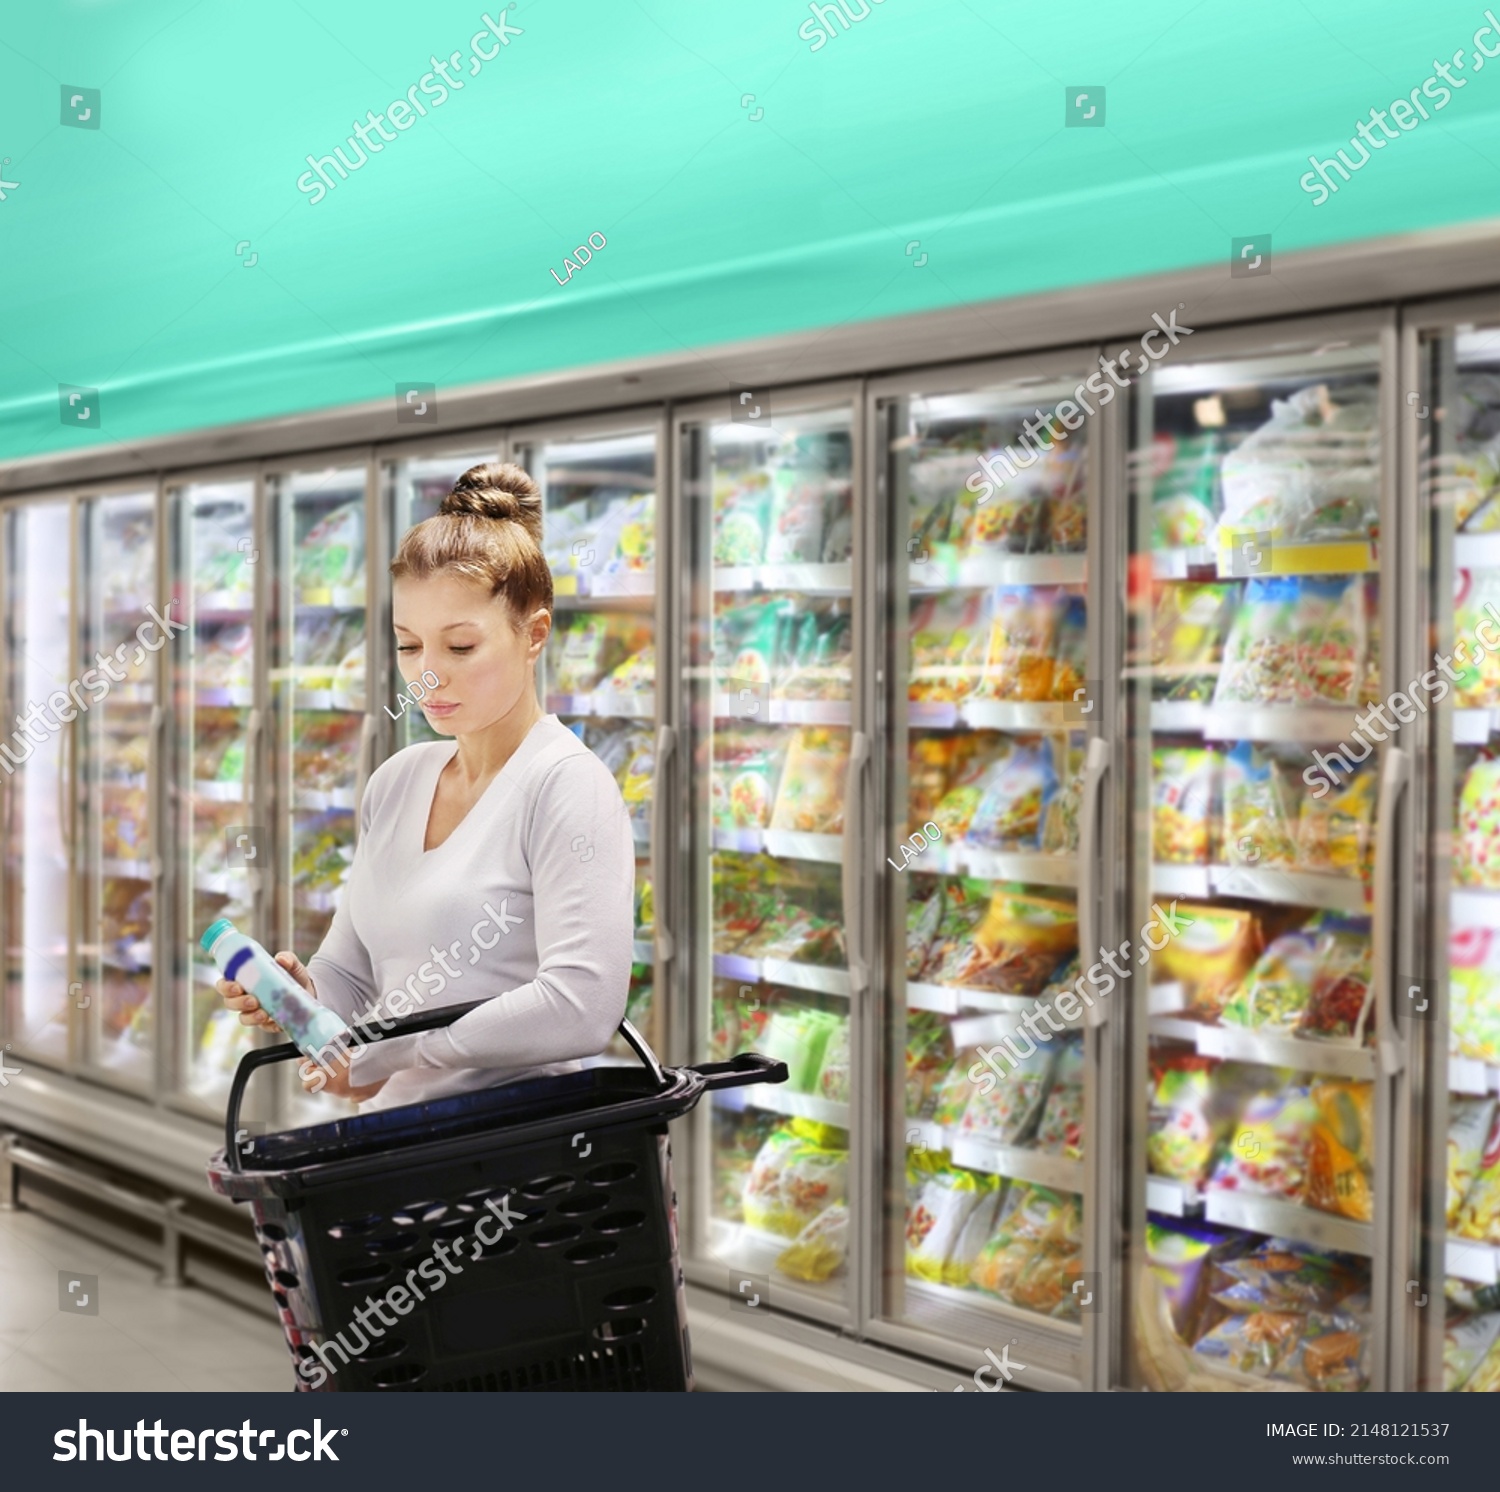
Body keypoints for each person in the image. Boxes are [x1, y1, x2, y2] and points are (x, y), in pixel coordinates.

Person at [216, 461, 635, 1110]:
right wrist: (302, 999)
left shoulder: (565, 785)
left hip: (519, 1177)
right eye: (409, 647)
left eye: (460, 647)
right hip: (398, 1168)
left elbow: (581, 1006)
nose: (428, 676)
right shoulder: (397, 782)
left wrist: (394, 1048)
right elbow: (352, 974)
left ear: (535, 636)